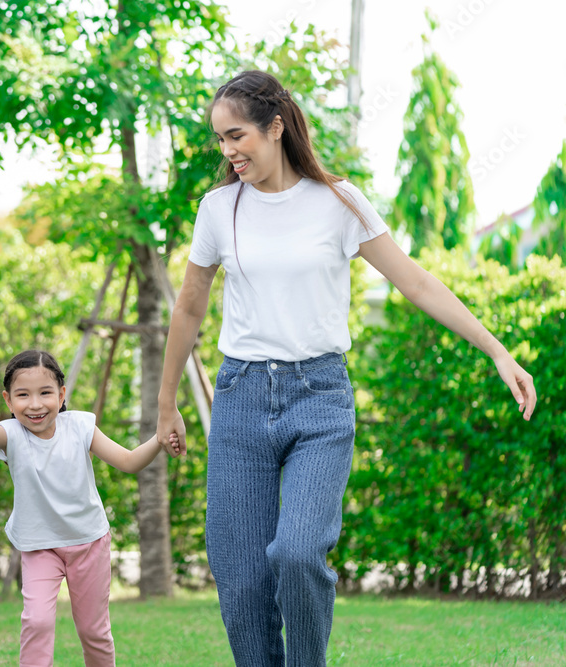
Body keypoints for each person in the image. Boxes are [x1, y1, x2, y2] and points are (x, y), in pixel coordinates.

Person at [154, 70, 538, 666]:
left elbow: (413, 281)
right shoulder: (218, 209)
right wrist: (166, 400)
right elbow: (189, 306)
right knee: (242, 580)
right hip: (241, 395)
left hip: (319, 398)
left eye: (237, 136)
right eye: (221, 141)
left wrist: (497, 350)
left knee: (300, 554)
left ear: (275, 127)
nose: (228, 152)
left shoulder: (338, 201)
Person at [0, 349, 179, 667]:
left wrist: (160, 440)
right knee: (36, 621)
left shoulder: (80, 426)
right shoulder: (10, 435)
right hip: (40, 546)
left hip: (89, 542)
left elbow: (129, 461)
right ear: (8, 401)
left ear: (61, 394)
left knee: (94, 632)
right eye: (23, 395)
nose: (35, 404)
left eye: (45, 393)